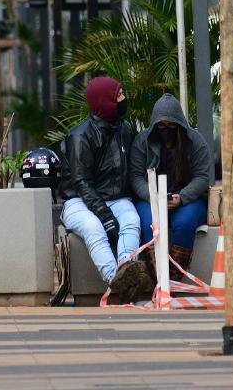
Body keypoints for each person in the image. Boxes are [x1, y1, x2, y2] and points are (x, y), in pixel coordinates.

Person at [59, 77, 153, 304]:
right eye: (118, 95)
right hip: (79, 201)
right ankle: (116, 282)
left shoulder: (125, 129)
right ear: (105, 101)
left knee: (131, 219)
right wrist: (106, 217)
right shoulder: (80, 136)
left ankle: (125, 268)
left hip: (116, 198)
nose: (123, 99)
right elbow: (81, 183)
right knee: (94, 229)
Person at [129, 93, 212, 281]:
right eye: (161, 125)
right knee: (149, 224)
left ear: (180, 124)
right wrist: (153, 197)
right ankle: (157, 277)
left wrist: (182, 197)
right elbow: (135, 177)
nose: (166, 129)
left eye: (171, 125)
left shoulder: (195, 142)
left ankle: (174, 279)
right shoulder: (142, 141)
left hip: (187, 199)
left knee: (185, 223)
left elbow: (202, 176)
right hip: (150, 198)